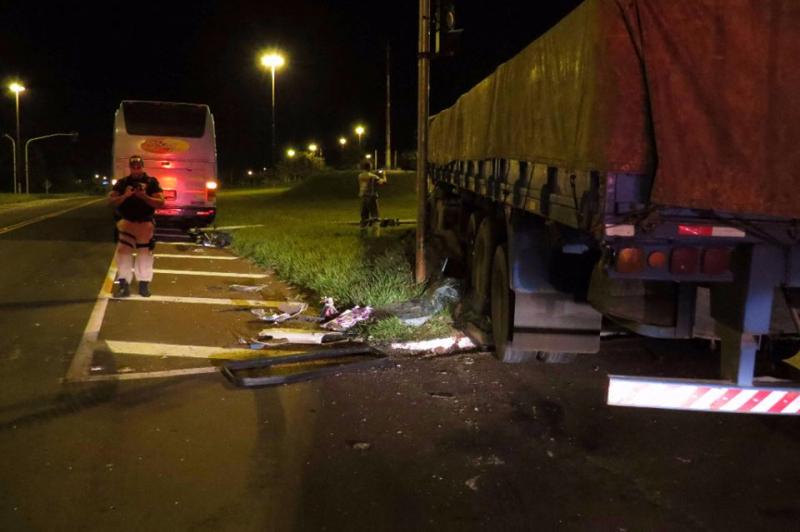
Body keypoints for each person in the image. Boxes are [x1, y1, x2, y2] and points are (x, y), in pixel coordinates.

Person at [107, 155, 165, 297]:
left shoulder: (151, 182)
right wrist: (125, 195)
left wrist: (144, 196)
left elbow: (161, 202)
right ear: (130, 167)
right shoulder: (123, 183)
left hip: (145, 223)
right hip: (127, 222)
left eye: (139, 166)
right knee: (123, 254)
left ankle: (144, 284)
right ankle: (124, 285)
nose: (136, 168)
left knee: (145, 254)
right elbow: (111, 202)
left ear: (142, 166)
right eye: (133, 166)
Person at [357, 161, 387, 227]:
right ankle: (375, 232)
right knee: (375, 217)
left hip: (363, 197)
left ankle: (363, 232)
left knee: (364, 217)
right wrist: (384, 174)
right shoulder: (373, 176)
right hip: (371, 197)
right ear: (370, 167)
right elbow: (383, 182)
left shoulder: (360, 176)